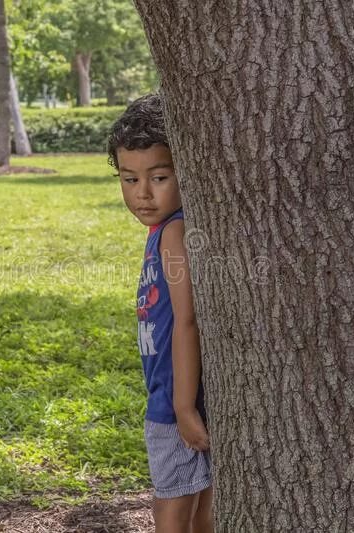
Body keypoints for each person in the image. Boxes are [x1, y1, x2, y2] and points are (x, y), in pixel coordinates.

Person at [107, 93, 213, 533]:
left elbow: (187, 321)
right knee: (200, 507)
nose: (143, 194)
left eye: (159, 177)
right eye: (130, 179)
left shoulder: (174, 233)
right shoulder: (162, 229)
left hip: (173, 403)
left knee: (173, 510)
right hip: (174, 396)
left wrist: (183, 407)